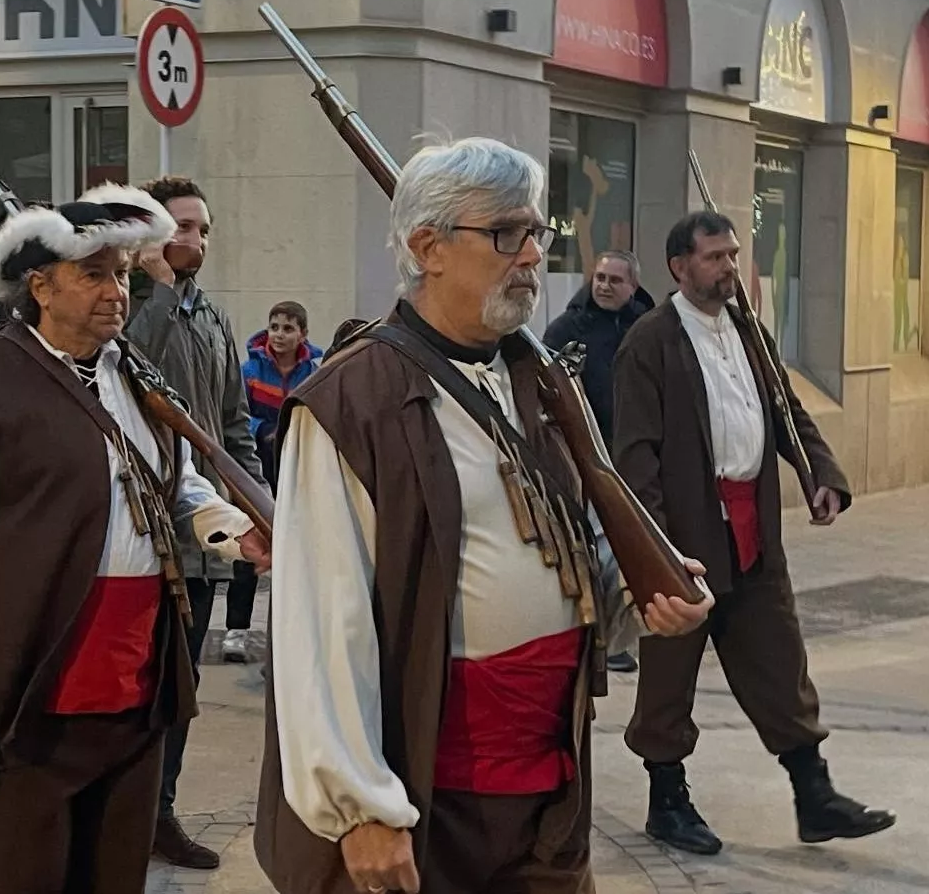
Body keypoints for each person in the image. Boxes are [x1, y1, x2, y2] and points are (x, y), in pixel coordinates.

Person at [253, 137, 712, 894]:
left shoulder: (533, 381)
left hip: (551, 782)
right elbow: (319, 621)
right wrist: (361, 805)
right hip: (434, 794)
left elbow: (571, 539)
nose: (532, 255)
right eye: (506, 234)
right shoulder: (351, 401)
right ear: (428, 247)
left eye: (537, 232)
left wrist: (636, 594)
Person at [0, 193, 271, 893]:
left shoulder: (131, 375)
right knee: (13, 877)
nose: (116, 293)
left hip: (132, 689)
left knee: (111, 874)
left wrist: (234, 530)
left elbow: (175, 481)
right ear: (39, 286)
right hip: (29, 694)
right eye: (94, 275)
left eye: (124, 274)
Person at [610, 210, 896, 856]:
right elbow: (636, 455)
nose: (729, 268)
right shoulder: (649, 342)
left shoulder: (749, 331)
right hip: (685, 538)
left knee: (780, 660)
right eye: (714, 258)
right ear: (679, 267)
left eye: (734, 255)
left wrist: (820, 472)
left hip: (754, 529)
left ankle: (815, 797)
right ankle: (667, 801)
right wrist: (657, 552)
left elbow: (787, 413)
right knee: (667, 675)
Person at [109, 176, 266, 869]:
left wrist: (256, 499)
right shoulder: (131, 310)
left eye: (200, 228)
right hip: (145, 538)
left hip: (205, 537)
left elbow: (232, 421)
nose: (191, 240)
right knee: (134, 691)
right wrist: (155, 287)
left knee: (180, 691)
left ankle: (158, 812)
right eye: (177, 227)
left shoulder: (212, 317)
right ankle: (123, 813)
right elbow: (138, 367)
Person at [543, 250, 655, 674]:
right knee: (597, 549)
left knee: (631, 552)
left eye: (615, 280)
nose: (605, 285)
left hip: (636, 460)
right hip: (586, 463)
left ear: (633, 287)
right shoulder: (568, 329)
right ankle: (601, 637)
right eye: (600, 277)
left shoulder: (648, 330)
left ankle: (620, 630)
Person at [224, 301, 323, 662]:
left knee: (296, 550)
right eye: (274, 327)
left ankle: (291, 632)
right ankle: (237, 629)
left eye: (287, 328)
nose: (279, 335)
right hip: (258, 466)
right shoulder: (250, 370)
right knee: (251, 542)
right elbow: (235, 414)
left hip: (299, 469)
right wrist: (264, 429)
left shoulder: (316, 369)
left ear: (303, 334)